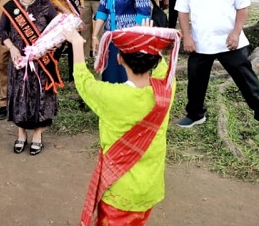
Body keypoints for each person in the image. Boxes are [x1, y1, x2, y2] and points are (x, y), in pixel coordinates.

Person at [67, 24, 180, 226]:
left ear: (119, 59)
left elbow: (83, 81)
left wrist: (77, 44)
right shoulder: (166, 91)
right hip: (150, 188)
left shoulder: (111, 96)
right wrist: (150, 40)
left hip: (118, 189)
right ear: (154, 60)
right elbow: (162, 67)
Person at [174, 0, 259, 135]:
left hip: (230, 42)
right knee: (196, 80)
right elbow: (182, 12)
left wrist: (236, 33)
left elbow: (242, 8)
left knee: (246, 80)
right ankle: (195, 114)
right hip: (200, 42)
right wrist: (187, 37)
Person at [0, 0, 60, 155]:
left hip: (41, 63)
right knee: (19, 95)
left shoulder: (46, 6)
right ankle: (21, 134)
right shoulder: (11, 7)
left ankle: (37, 135)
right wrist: (12, 49)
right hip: (19, 62)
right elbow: (3, 31)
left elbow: (56, 32)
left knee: (40, 97)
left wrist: (47, 49)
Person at [92, 0, 152, 84]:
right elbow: (102, 10)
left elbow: (143, 14)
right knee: (110, 75)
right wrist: (95, 35)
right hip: (111, 39)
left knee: (127, 76)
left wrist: (135, 40)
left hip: (129, 41)